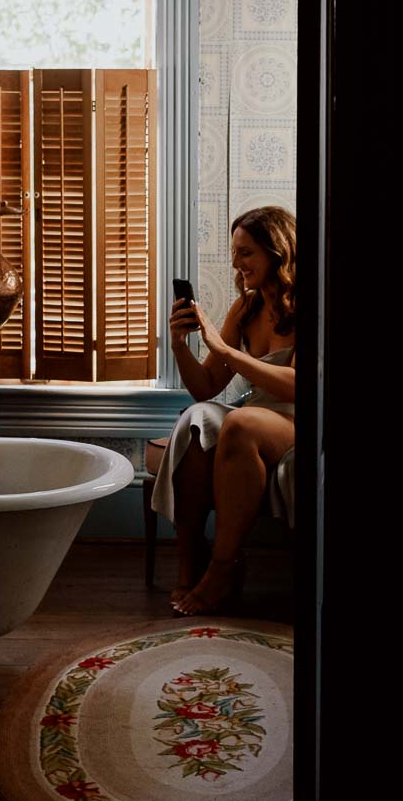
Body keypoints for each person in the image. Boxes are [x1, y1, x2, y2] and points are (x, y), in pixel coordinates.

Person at [152, 206, 297, 616]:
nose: (236, 263)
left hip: (295, 417)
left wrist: (226, 349)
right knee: (195, 422)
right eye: (235, 252)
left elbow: (297, 386)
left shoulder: (309, 305)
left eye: (246, 252)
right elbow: (203, 389)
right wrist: (180, 344)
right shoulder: (246, 309)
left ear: (277, 251)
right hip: (257, 414)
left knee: (240, 423)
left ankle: (222, 569)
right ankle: (190, 564)